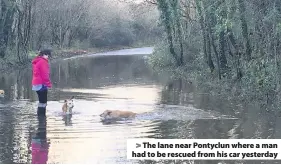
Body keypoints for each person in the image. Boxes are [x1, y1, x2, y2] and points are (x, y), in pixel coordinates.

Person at [32, 49, 52, 116]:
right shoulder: (43, 62)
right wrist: (48, 84)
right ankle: (42, 117)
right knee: (44, 102)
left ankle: (40, 117)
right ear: (44, 55)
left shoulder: (37, 61)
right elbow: (45, 75)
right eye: (48, 55)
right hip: (42, 84)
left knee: (41, 101)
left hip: (36, 84)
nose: (48, 57)